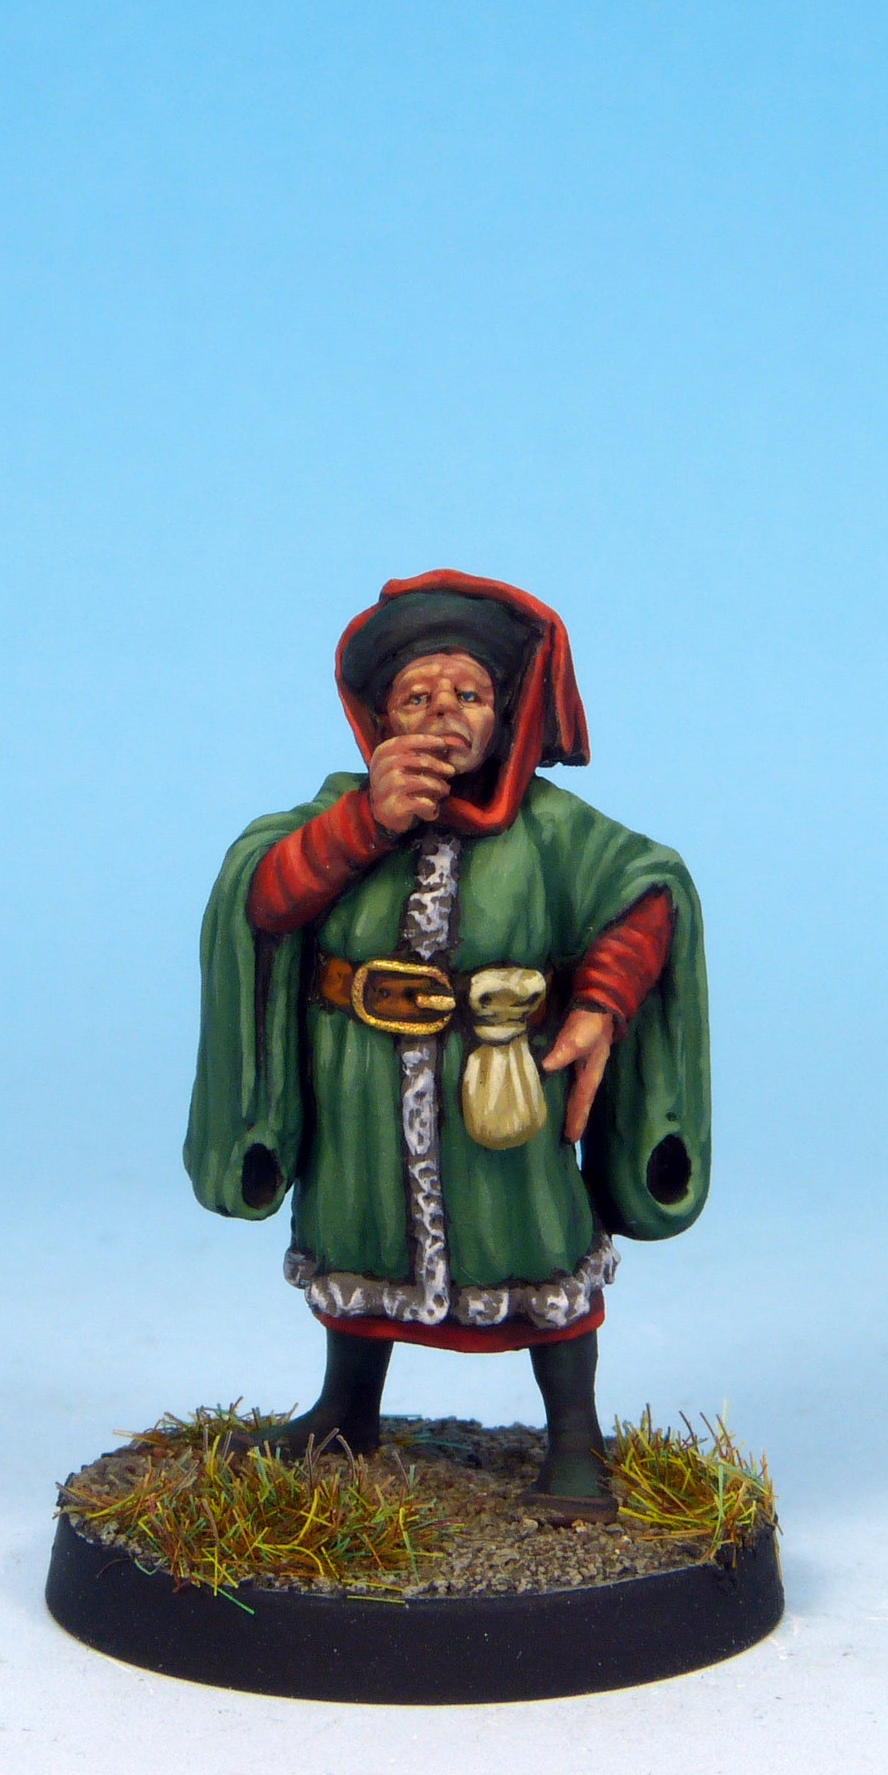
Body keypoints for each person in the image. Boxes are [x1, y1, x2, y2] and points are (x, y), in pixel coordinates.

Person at [186, 570, 709, 1519]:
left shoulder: (549, 829)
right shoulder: (341, 810)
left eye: (468, 694)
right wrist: (365, 823)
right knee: (358, 1230)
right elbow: (260, 896)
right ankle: (346, 1412)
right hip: (362, 1080)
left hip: (503, 1078)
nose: (442, 714)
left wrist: (601, 1001)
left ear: (503, 716)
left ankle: (575, 1441)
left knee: (538, 1235)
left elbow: (646, 890)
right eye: (416, 698)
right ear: (378, 720)